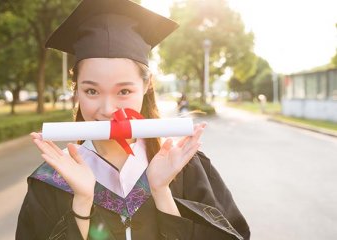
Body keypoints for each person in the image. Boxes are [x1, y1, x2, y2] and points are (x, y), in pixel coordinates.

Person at [16, 0, 250, 239]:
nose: (107, 110)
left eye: (124, 92)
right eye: (92, 91)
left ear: (146, 85)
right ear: (76, 89)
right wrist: (83, 202)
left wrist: (161, 192)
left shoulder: (183, 166)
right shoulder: (52, 180)